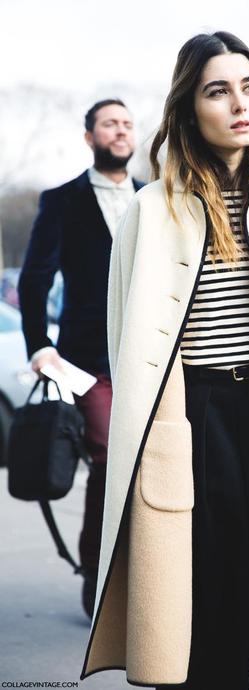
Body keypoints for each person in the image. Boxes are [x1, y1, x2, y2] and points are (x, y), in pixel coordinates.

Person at [80, 33, 249, 690]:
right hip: (197, 425)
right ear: (188, 109)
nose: (240, 103)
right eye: (218, 90)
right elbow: (130, 345)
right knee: (209, 619)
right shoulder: (150, 212)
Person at [17, 99, 144, 619]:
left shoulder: (155, 197)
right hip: (88, 362)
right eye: (110, 124)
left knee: (155, 469)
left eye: (128, 123)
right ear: (90, 136)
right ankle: (100, 579)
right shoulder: (62, 200)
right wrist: (39, 346)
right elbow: (35, 278)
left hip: (153, 359)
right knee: (111, 463)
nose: (121, 130)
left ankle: (155, 577)